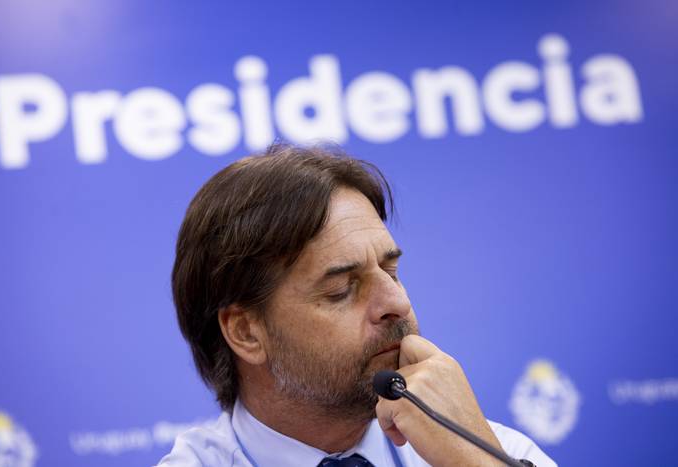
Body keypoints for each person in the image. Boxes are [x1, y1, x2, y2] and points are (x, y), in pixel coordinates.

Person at [157, 144, 556, 467]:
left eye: (391, 271)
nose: (396, 303)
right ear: (245, 332)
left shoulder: (481, 449)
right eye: (341, 289)